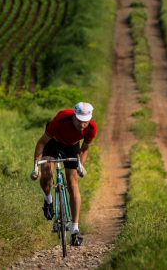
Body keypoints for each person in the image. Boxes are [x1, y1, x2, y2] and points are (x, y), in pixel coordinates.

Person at [30, 101, 97, 246]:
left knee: (73, 182)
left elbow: (85, 148)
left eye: (85, 122)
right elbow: (41, 143)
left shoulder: (91, 128)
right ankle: (48, 201)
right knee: (47, 172)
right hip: (53, 143)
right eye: (79, 120)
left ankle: (75, 230)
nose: (82, 125)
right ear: (74, 115)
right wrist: (36, 165)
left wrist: (81, 165)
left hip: (72, 147)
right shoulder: (60, 120)